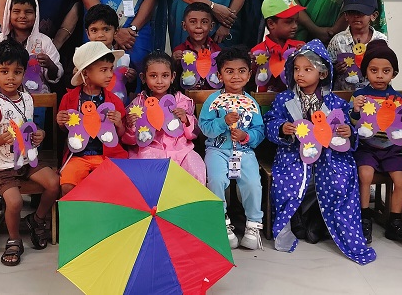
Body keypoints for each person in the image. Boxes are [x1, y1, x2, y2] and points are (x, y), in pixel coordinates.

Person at [264, 40, 375, 264]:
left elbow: (348, 129)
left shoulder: (335, 102)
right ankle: (295, 217)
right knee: (289, 179)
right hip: (294, 153)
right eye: (296, 69)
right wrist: (282, 128)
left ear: (323, 74)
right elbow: (270, 122)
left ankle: (320, 220)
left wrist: (348, 132)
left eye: (308, 69)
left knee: (338, 179)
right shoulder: (284, 100)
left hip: (328, 155)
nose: (300, 74)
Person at [0, 40, 58, 266]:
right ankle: (14, 239)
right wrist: (2, 139)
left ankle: (37, 219)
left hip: (27, 159)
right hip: (3, 166)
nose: (11, 77)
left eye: (17, 72)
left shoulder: (27, 98)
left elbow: (31, 126)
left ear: (24, 73)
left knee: (54, 183)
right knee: (15, 203)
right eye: (4, 71)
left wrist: (40, 134)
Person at [351, 40, 402, 244]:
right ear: (366, 72)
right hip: (366, 148)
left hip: (392, 150)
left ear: (394, 73)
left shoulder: (398, 100)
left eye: (386, 71)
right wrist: (355, 110)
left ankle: (395, 221)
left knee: (401, 180)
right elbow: (351, 124)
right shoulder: (360, 96)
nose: (380, 75)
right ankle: (364, 216)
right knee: (365, 174)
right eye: (374, 70)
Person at [199, 46, 266, 250]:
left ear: (249, 74)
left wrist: (246, 136)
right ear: (220, 75)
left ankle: (253, 224)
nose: (236, 76)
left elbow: (259, 131)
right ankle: (222, 221)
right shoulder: (213, 101)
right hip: (217, 150)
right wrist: (223, 122)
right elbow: (205, 127)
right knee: (217, 179)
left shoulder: (251, 103)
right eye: (229, 71)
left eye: (241, 71)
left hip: (244, 152)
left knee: (253, 183)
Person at [122, 51, 206, 183]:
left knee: (195, 166)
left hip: (181, 150)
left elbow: (193, 134)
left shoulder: (181, 101)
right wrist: (131, 125)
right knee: (148, 173)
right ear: (143, 77)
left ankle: (193, 196)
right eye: (153, 76)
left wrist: (186, 120)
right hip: (149, 150)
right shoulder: (138, 104)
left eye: (165, 75)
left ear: (173, 77)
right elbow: (130, 140)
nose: (159, 81)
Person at [56, 42, 128, 196]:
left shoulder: (114, 101)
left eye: (111, 69)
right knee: (67, 186)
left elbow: (121, 135)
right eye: (104, 70)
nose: (110, 74)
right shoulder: (69, 98)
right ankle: (74, 213)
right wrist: (61, 122)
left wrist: (119, 124)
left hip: (106, 156)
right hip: (77, 156)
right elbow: (66, 130)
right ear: (86, 73)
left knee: (111, 186)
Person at [0, 0, 63, 93]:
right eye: (16, 11)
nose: (22, 16)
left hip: (37, 98)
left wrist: (50, 65)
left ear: (36, 14)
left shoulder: (44, 42)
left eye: (28, 12)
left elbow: (56, 76)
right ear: (8, 13)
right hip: (2, 98)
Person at [328, 0, 388, 91]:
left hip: (372, 96)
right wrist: (335, 70)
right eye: (352, 12)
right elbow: (325, 70)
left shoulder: (380, 40)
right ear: (346, 16)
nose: (356, 16)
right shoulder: (338, 40)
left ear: (373, 16)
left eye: (361, 12)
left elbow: (387, 68)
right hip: (344, 95)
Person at [251, 0, 306, 93]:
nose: (295, 26)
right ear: (271, 24)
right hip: (265, 101)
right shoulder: (257, 52)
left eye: (296, 21)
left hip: (296, 100)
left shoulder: (300, 47)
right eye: (289, 21)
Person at [83, 3, 135, 99]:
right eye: (94, 30)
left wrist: (131, 79)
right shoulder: (81, 58)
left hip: (118, 106)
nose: (100, 35)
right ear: (87, 33)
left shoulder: (124, 59)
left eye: (106, 29)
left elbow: (128, 90)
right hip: (88, 106)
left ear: (116, 31)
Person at [173, 2, 222, 90]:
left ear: (211, 26)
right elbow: (172, 76)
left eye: (204, 22)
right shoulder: (180, 51)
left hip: (212, 94)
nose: (198, 26)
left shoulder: (217, 51)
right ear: (184, 26)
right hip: (187, 95)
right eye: (193, 22)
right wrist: (173, 61)